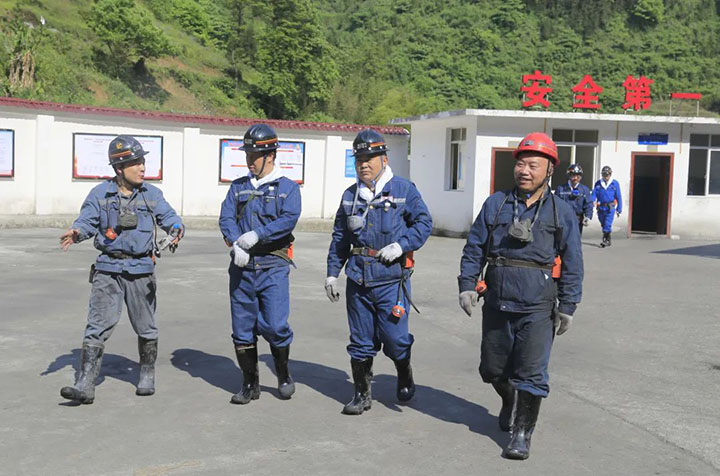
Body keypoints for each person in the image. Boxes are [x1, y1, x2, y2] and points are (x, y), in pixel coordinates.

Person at [457, 132, 583, 460]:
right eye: (521, 164)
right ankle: (508, 400)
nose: (524, 171)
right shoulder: (496, 204)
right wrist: (467, 284)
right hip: (497, 302)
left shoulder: (561, 211)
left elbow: (573, 261)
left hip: (538, 306)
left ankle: (522, 434)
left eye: (533, 165)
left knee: (532, 373)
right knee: (493, 370)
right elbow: (474, 247)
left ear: (549, 170)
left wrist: (568, 305)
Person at [59, 135, 184, 404]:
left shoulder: (152, 195)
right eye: (135, 163)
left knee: (146, 326)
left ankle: (147, 374)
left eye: (142, 162)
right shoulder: (100, 194)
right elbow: (87, 221)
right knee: (96, 325)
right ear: (119, 168)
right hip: (108, 269)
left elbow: (169, 217)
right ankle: (85, 383)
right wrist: (77, 232)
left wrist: (175, 229)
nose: (142, 167)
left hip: (140, 269)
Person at [325, 129, 432, 415]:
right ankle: (362, 395)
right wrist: (332, 273)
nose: (364, 165)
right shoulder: (350, 196)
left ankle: (404, 370)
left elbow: (424, 224)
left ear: (384, 159)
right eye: (359, 159)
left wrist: (401, 245)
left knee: (395, 340)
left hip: (391, 279)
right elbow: (340, 237)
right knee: (360, 341)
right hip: (358, 278)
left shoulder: (404, 190)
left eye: (369, 159)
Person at [219, 123, 301, 405]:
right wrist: (235, 242)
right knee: (242, 327)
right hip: (241, 267)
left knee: (275, 325)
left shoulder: (287, 188)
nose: (249, 161)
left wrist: (257, 235)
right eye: (247, 155)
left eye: (255, 155)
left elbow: (288, 220)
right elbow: (226, 217)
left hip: (272, 265)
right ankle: (249, 384)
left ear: (271, 156)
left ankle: (283, 374)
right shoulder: (238, 187)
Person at [555, 163, 593, 235]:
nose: (575, 178)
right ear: (569, 176)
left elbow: (588, 204)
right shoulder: (561, 189)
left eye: (578, 176)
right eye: (573, 175)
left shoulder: (584, 190)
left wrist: (588, 217)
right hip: (563, 220)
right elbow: (554, 205)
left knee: (575, 240)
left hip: (578, 221)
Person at [593, 165, 622, 247]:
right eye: (604, 175)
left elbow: (618, 196)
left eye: (607, 175)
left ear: (610, 174)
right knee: (603, 223)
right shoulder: (598, 183)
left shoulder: (614, 183)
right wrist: (592, 200)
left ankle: (605, 240)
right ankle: (608, 237)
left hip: (610, 207)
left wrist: (619, 209)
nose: (606, 177)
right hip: (601, 207)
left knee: (607, 223)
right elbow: (594, 194)